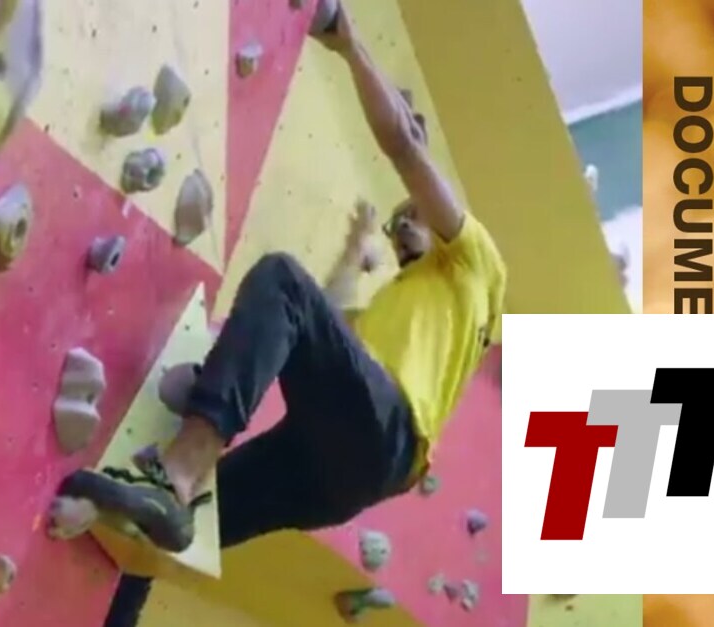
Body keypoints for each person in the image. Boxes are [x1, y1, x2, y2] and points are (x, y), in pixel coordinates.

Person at [54, 5, 507, 624]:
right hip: (344, 472)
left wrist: (349, 43)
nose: (403, 226)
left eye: (413, 217)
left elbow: (403, 145)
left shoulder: (477, 262)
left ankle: (177, 472)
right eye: (397, 223)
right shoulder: (418, 311)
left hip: (383, 434)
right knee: (162, 536)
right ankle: (158, 519)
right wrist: (352, 250)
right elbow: (322, 323)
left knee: (281, 280)